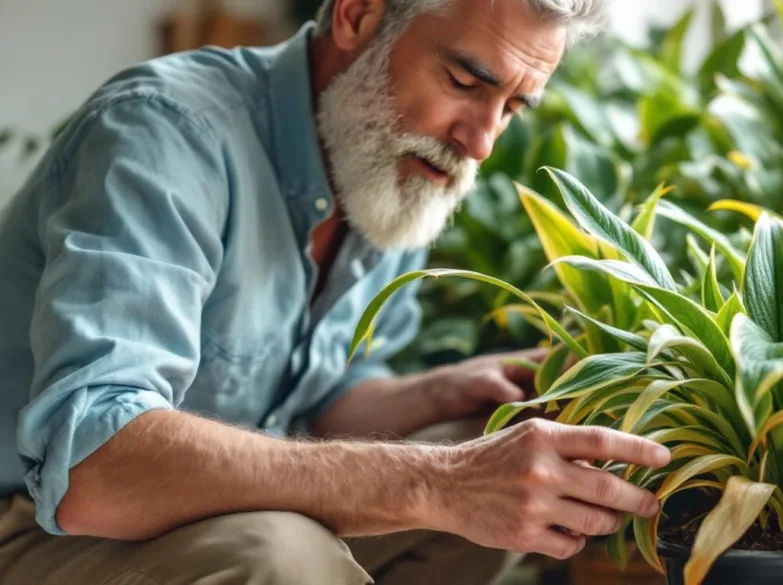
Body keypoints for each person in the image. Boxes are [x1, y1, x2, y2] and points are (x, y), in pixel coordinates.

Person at [0, 1, 672, 584]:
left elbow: (305, 406)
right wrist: (437, 481)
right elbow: (95, 463)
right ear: (357, 14)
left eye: (513, 107)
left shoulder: (382, 163)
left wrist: (443, 395)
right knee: (282, 555)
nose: (482, 141)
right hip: (33, 524)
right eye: (465, 81)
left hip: (187, 519)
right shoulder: (167, 134)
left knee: (493, 446)